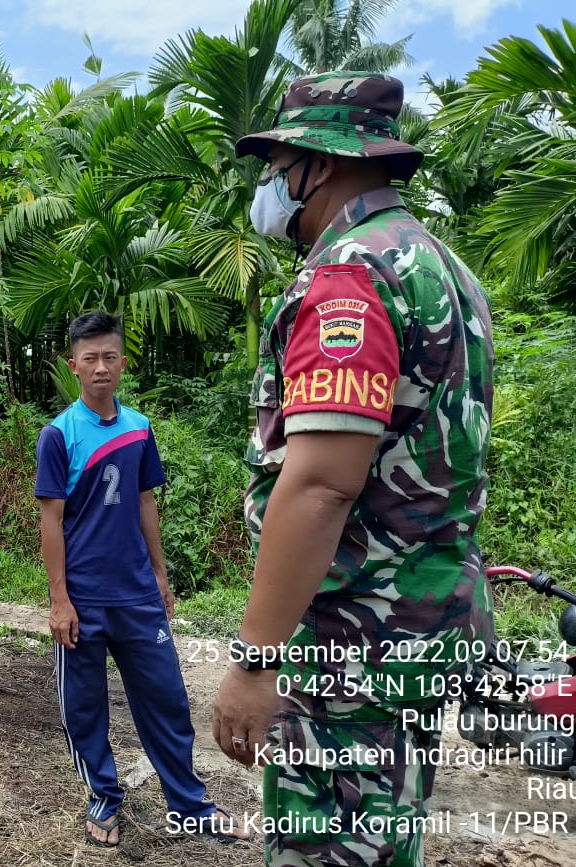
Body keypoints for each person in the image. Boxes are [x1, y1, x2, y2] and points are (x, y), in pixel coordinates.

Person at [213, 72, 494, 867]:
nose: (273, 185)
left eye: (281, 164)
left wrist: (255, 658)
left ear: (324, 164)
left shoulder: (350, 274)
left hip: (351, 641)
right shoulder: (447, 271)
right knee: (382, 833)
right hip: (418, 628)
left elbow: (323, 482)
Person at [35, 311, 248, 849]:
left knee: (167, 699)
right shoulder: (58, 436)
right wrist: (59, 599)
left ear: (123, 363)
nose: (101, 368)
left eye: (110, 357)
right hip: (83, 598)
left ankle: (190, 804)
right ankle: (103, 797)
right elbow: (51, 520)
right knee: (84, 706)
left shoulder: (139, 429)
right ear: (74, 366)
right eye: (90, 359)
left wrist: (160, 574)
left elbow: (145, 502)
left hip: (136, 594)